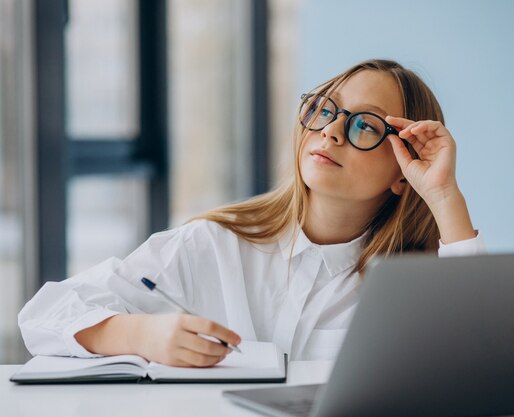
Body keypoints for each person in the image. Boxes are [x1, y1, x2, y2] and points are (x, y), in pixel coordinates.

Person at [18, 59, 485, 367]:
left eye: (365, 124)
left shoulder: (409, 289)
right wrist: (140, 334)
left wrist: (443, 195)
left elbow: (481, 363)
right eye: (325, 110)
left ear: (403, 172)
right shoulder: (212, 244)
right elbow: (43, 315)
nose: (332, 132)